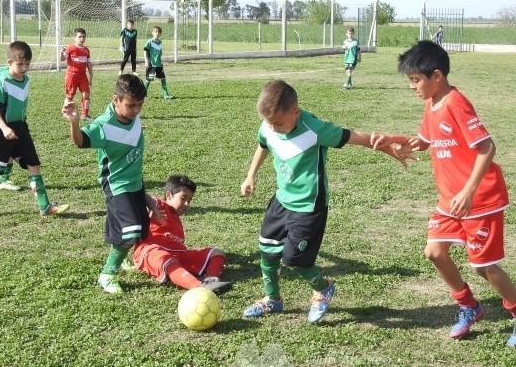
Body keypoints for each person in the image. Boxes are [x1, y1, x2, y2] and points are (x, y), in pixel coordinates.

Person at [371, 40, 516, 348]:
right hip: (450, 200)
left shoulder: (455, 102)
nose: (412, 87)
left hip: (479, 200)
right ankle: (468, 305)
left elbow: (487, 147)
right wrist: (392, 139)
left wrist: (468, 190)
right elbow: (423, 141)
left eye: (415, 80)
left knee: (483, 266)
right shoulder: (432, 103)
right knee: (435, 252)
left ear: (436, 76)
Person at [240, 80, 408, 322]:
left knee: (294, 260)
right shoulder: (269, 124)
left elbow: (357, 138)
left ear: (295, 112)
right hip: (281, 200)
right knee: (267, 251)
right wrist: (250, 176)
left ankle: (323, 288)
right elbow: (263, 144)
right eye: (269, 122)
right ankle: (273, 300)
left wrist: (390, 148)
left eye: (278, 123)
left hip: (309, 207)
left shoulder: (315, 129)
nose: (273, 128)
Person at [62, 74, 161, 295]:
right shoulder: (103, 125)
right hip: (116, 183)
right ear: (116, 100)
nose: (136, 110)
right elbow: (80, 142)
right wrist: (75, 122)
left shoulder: (134, 118)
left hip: (135, 182)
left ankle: (121, 257)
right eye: (130, 105)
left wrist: (146, 197)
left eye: (140, 105)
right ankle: (107, 275)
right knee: (130, 232)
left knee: (139, 230)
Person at [0, 41, 70, 218]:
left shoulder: (26, 80)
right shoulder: (3, 81)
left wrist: (20, 126)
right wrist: (4, 128)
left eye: (27, 64)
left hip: (21, 128)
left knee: (34, 164)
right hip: (2, 130)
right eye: (20, 64)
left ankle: (45, 206)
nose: (24, 68)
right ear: (9, 62)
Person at [132, 174, 233, 295]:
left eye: (189, 200)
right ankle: (198, 287)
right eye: (183, 198)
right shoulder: (158, 205)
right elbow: (137, 195)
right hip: (150, 251)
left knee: (217, 253)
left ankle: (211, 280)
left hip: (178, 254)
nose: (186, 204)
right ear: (169, 195)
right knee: (165, 258)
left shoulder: (178, 222)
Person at [61, 27, 93, 120]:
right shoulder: (71, 48)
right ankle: (65, 111)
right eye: (79, 37)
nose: (82, 39)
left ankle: (85, 114)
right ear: (74, 37)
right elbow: (62, 58)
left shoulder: (86, 50)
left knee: (86, 94)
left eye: (83, 37)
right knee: (70, 95)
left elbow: (89, 63)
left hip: (83, 76)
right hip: (72, 76)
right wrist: (61, 52)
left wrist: (91, 75)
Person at [143, 26, 173, 99]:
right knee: (149, 79)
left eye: (159, 32)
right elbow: (145, 52)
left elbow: (159, 54)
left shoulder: (160, 42)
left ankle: (166, 95)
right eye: (155, 31)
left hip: (158, 65)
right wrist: (146, 61)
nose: (157, 33)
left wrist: (160, 63)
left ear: (160, 34)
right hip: (151, 64)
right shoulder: (149, 42)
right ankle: (143, 94)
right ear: (152, 33)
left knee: (163, 78)